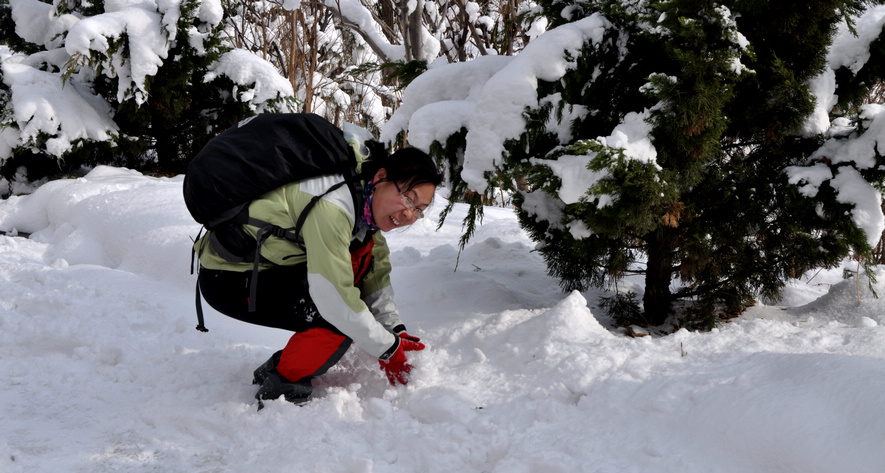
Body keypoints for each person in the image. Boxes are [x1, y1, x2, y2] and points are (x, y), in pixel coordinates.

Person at [193, 121, 442, 407]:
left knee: (354, 283)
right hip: (230, 279)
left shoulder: (362, 199)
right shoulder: (334, 205)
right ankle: (282, 387)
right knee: (339, 321)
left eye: (419, 210)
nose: (409, 214)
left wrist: (394, 330)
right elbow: (335, 302)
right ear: (382, 176)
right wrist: (387, 349)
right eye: (409, 198)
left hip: (267, 269)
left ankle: (283, 365)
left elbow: (375, 272)